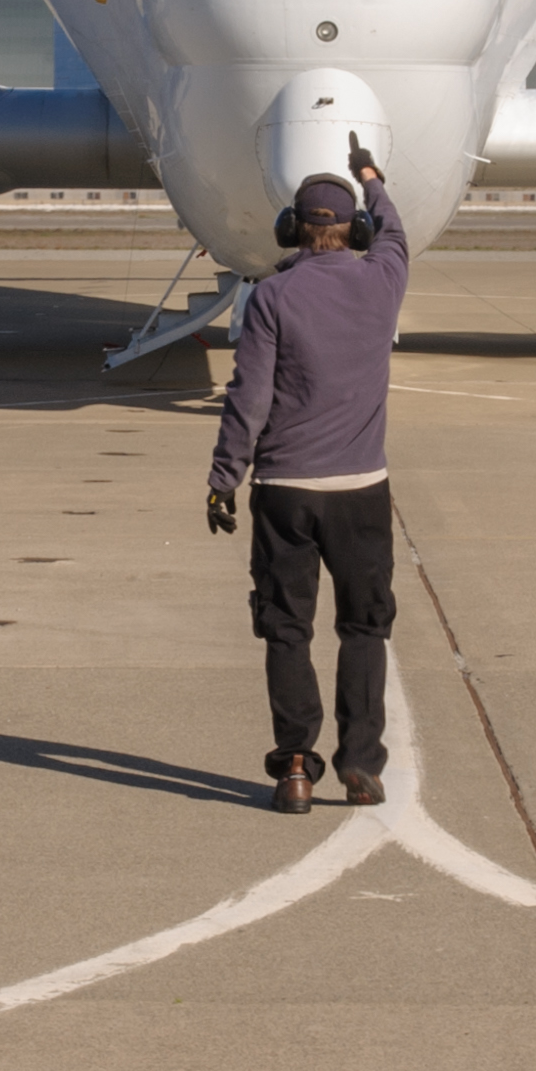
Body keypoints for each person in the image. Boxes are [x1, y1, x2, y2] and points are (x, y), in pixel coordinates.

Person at [205, 141, 410, 813]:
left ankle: (294, 766)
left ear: (291, 228)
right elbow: (395, 229)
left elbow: (249, 397)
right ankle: (360, 764)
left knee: (286, 628)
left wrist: (223, 475)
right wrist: (370, 177)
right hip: (360, 491)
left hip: (283, 491)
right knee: (364, 627)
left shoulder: (270, 296)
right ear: (356, 231)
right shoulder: (383, 278)